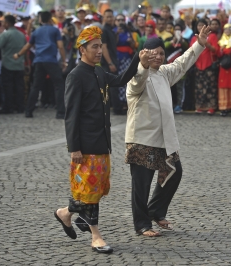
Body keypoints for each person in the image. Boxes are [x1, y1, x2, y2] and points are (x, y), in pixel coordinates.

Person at [54, 26, 142, 253]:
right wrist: (74, 148)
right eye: (94, 47)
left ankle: (65, 213)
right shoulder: (75, 75)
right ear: (82, 49)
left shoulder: (99, 72)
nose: (99, 51)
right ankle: (96, 237)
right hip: (85, 146)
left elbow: (122, 79)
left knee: (95, 190)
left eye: (100, 46)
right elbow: (70, 115)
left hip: (102, 142)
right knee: (90, 193)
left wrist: (138, 57)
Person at [125, 26, 210, 237]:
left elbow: (182, 63)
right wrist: (142, 67)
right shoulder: (136, 75)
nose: (159, 56)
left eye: (162, 53)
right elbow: (135, 87)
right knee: (141, 185)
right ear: (144, 54)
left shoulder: (164, 73)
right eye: (153, 53)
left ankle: (155, 210)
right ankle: (142, 224)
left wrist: (199, 44)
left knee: (174, 172)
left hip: (164, 138)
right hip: (142, 138)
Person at [14, 11, 66, 119]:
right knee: (59, 85)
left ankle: (29, 111)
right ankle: (60, 112)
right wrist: (64, 61)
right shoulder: (55, 30)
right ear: (50, 19)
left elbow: (28, 46)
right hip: (51, 61)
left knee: (35, 87)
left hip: (39, 61)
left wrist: (18, 54)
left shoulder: (37, 31)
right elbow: (60, 46)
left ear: (40, 19)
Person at [191, 19, 219, 115]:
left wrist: (206, 43)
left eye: (203, 25)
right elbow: (191, 51)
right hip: (198, 65)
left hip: (209, 64)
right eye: (199, 25)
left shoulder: (212, 36)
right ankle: (200, 106)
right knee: (199, 87)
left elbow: (216, 50)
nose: (200, 27)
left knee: (210, 87)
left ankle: (211, 107)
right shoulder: (194, 38)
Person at [100, 9, 121, 115]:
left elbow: (113, 44)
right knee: (111, 86)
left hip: (113, 60)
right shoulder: (104, 30)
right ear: (104, 18)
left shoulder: (112, 29)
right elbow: (104, 48)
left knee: (112, 86)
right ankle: (116, 109)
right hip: (109, 62)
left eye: (111, 16)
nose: (109, 18)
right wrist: (110, 63)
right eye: (107, 16)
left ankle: (114, 107)